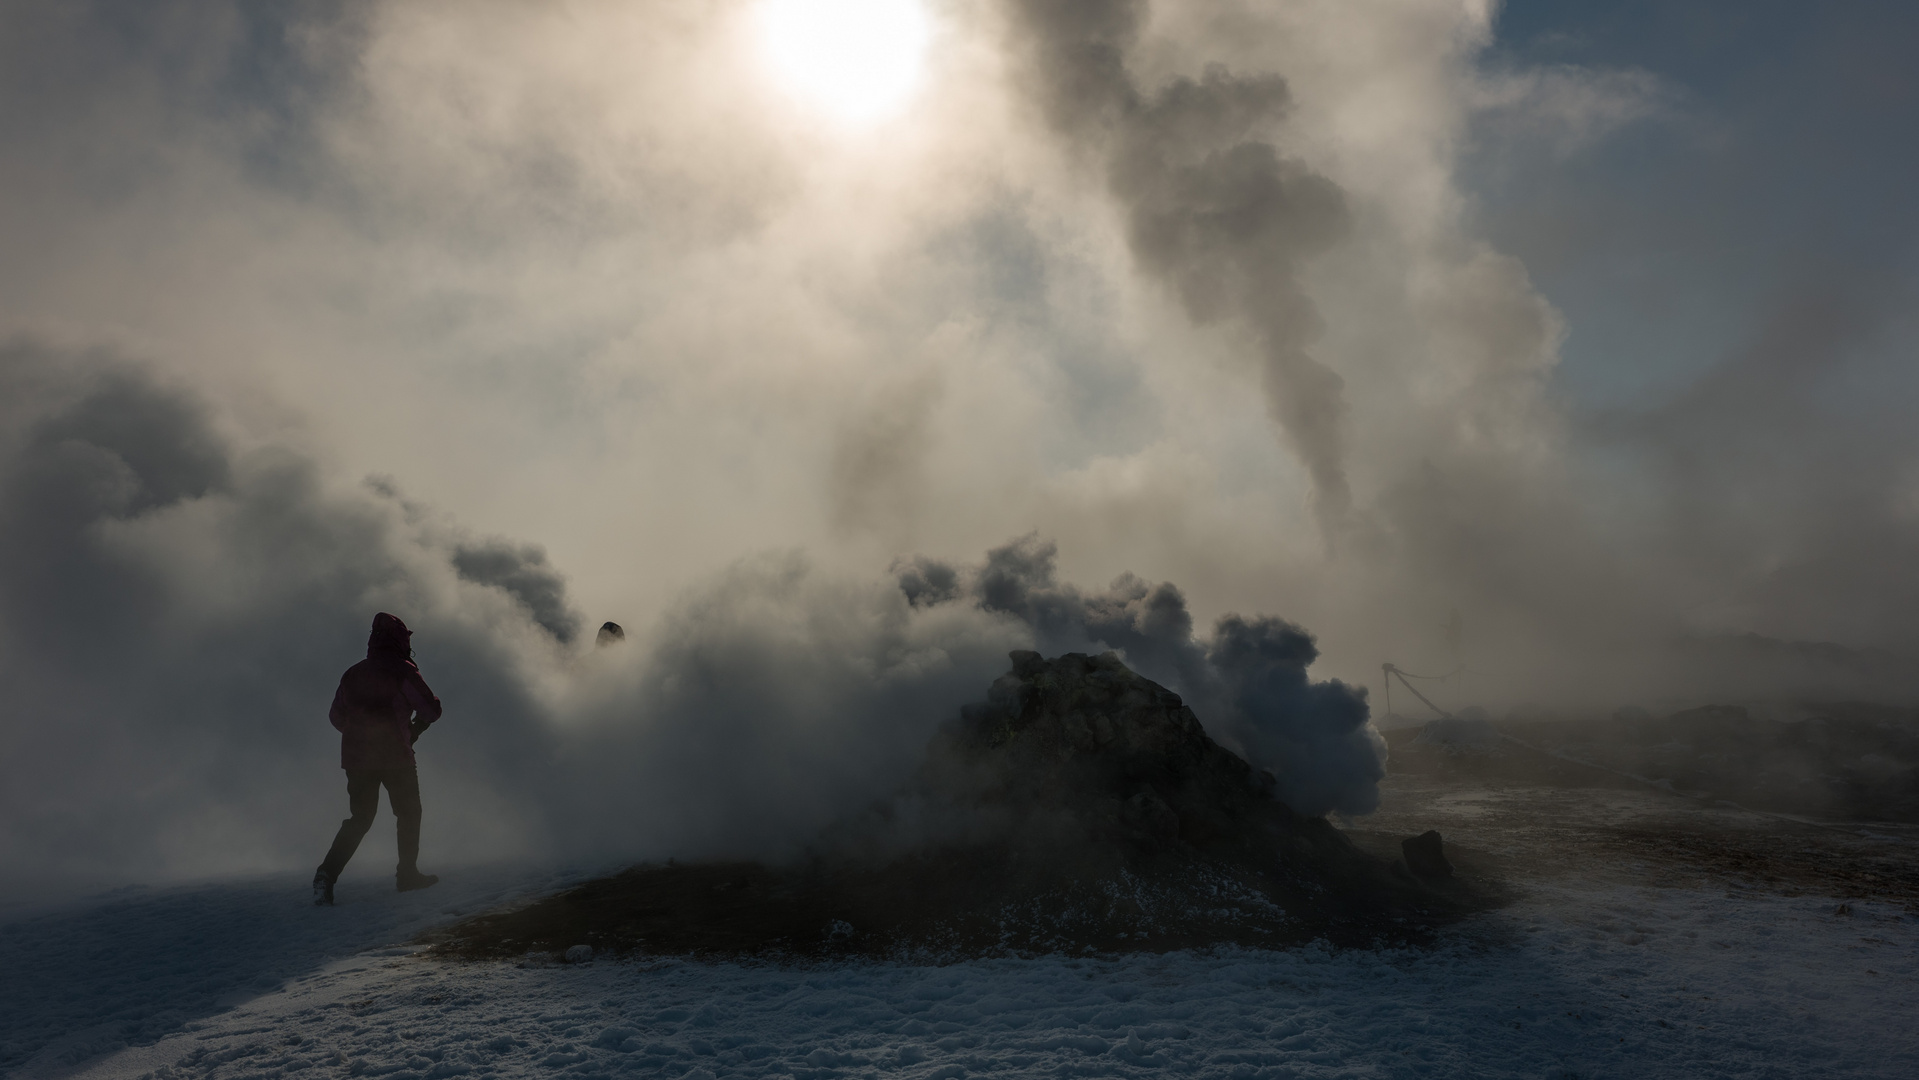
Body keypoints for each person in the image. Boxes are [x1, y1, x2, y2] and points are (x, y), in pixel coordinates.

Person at [313, 612, 444, 905]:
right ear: (401, 640)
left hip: (357, 760)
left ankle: (326, 874)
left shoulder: (353, 673)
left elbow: (336, 717)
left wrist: (359, 735)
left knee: (360, 818)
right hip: (396, 755)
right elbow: (430, 710)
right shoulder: (403, 670)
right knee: (408, 813)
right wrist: (410, 730)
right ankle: (407, 875)